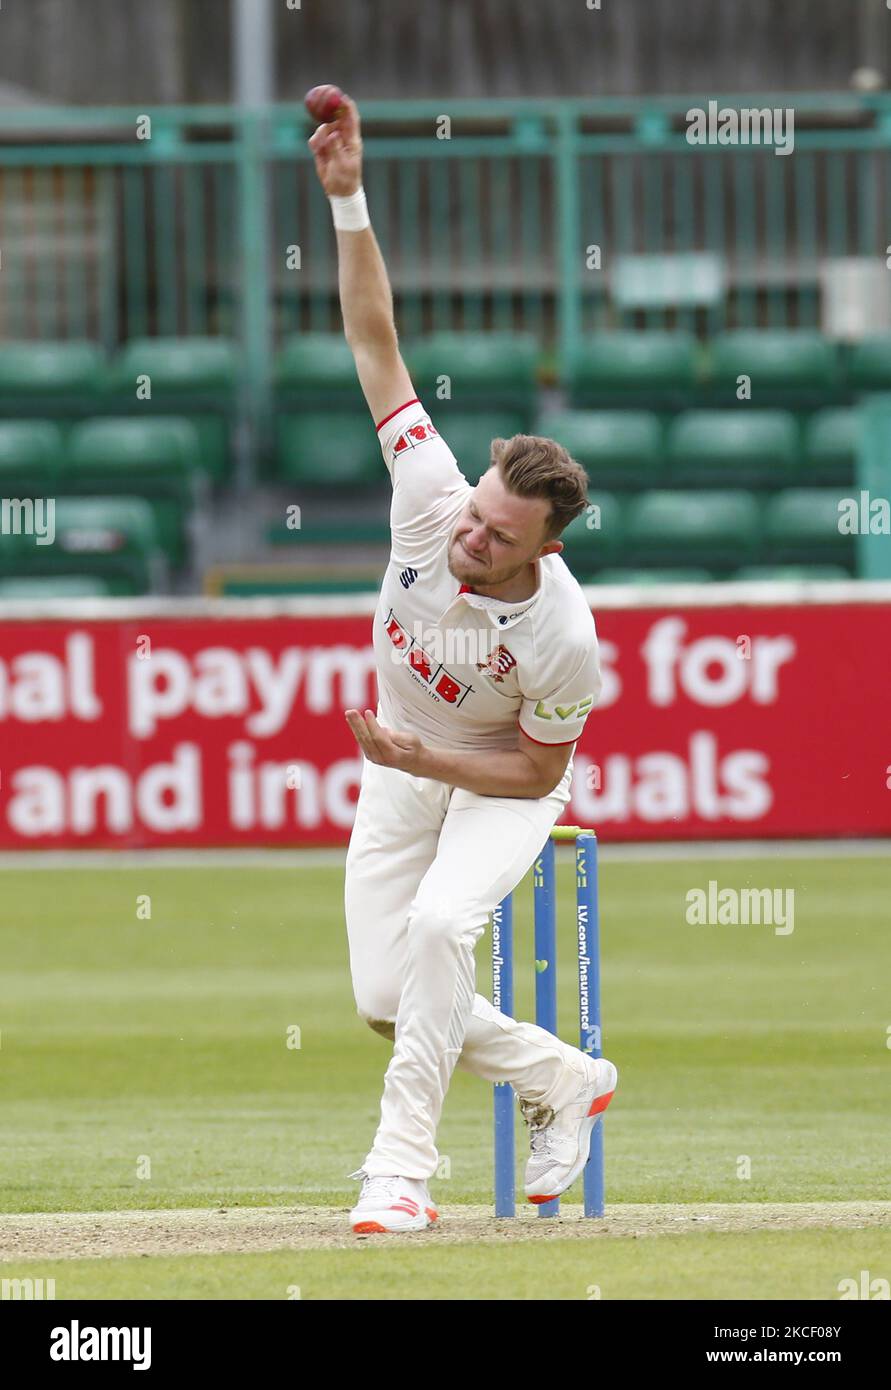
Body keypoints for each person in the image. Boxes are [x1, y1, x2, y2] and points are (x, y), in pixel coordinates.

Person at [308, 89, 617, 1234]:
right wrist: (348, 200)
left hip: (496, 774)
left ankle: (400, 1174)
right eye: (475, 513)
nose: (467, 538)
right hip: (400, 766)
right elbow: (373, 340)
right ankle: (560, 1076)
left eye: (495, 535)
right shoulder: (430, 494)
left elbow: (539, 778)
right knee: (389, 998)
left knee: (443, 932)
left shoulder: (564, 638)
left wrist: (429, 747)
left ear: (546, 547)